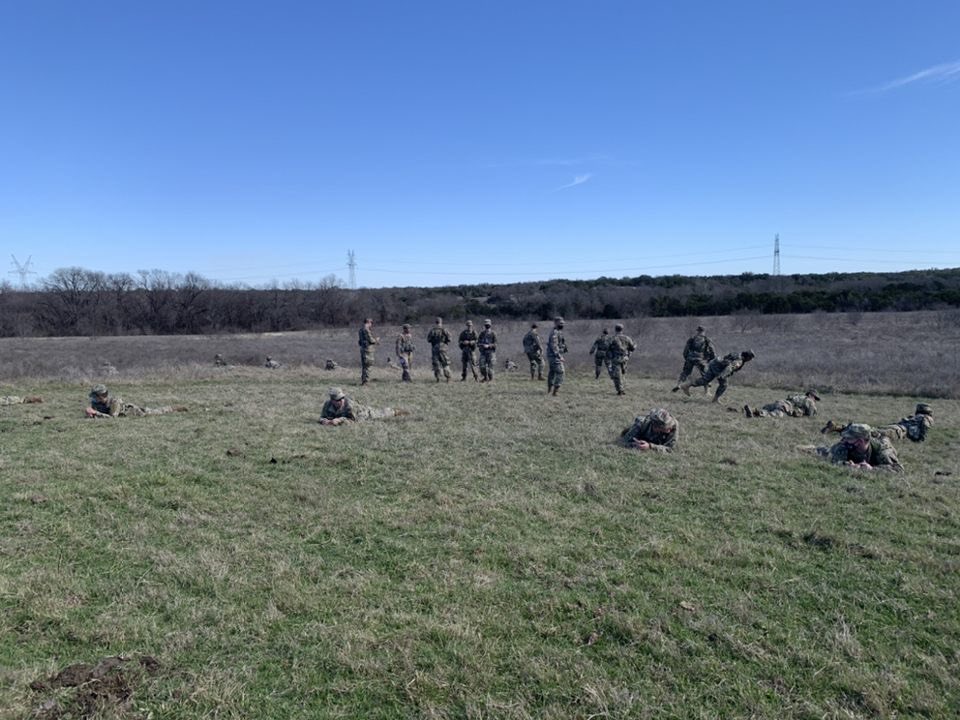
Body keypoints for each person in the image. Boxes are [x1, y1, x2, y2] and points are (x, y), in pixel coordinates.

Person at [679, 350, 755, 402]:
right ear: (748, 357)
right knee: (724, 385)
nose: (750, 360)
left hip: (714, 363)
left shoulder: (737, 354)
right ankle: (715, 400)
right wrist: (722, 375)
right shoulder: (739, 361)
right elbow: (730, 367)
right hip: (719, 368)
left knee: (705, 380)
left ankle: (686, 385)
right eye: (750, 358)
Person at [826, 423, 902, 471]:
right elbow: (833, 460)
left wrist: (873, 469)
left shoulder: (882, 449)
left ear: (860, 441)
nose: (844, 440)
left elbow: (898, 469)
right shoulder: (844, 445)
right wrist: (848, 465)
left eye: (849, 438)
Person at [85, 384, 184, 418]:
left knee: (154, 412)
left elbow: (112, 417)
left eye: (95, 397)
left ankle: (173, 408)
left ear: (101, 396)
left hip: (134, 412)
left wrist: (96, 413)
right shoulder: (97, 403)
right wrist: (91, 414)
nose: (93, 399)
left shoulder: (115, 402)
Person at [318, 387, 403, 426]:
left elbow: (354, 421)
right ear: (332, 400)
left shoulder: (350, 405)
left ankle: (395, 411)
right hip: (351, 415)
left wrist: (340, 420)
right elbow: (322, 417)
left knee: (380, 414)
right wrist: (324, 421)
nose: (341, 401)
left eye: (342, 398)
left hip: (362, 413)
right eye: (338, 399)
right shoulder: (327, 404)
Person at [672, 325, 716, 391]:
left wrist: (686, 357)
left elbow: (686, 350)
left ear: (697, 331)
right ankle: (707, 391)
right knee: (706, 374)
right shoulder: (707, 339)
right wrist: (712, 359)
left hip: (690, 357)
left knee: (685, 372)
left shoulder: (692, 338)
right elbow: (712, 350)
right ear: (704, 331)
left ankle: (678, 385)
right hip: (701, 359)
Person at [605, 324, 636, 395]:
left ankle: (620, 390)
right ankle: (622, 388)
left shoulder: (612, 338)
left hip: (616, 358)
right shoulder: (627, 338)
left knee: (616, 375)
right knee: (622, 373)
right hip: (625, 358)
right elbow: (632, 348)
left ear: (615, 329)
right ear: (622, 329)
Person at [744, 390, 821, 418]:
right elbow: (811, 413)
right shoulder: (808, 400)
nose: (815, 400)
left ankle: (753, 410)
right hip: (785, 407)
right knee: (774, 415)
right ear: (810, 395)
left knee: (766, 409)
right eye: (815, 398)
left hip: (780, 402)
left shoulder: (799, 396)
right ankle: (758, 413)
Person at [546, 316, 568, 396]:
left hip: (552, 355)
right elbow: (554, 345)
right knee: (561, 372)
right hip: (554, 356)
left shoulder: (558, 331)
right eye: (560, 323)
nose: (562, 325)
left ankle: (550, 390)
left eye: (563, 323)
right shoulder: (554, 332)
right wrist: (559, 356)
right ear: (556, 323)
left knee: (552, 372)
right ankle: (555, 391)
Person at [426, 317, 453, 382]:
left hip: (435, 348)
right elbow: (450, 339)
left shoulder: (432, 330)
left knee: (436, 364)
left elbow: (428, 340)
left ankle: (438, 378)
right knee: (445, 363)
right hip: (443, 348)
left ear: (435, 322)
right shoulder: (444, 330)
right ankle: (448, 378)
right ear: (441, 322)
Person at [358, 318, 379, 385]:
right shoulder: (366, 330)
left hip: (363, 349)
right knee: (368, 365)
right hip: (368, 350)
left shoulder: (360, 330)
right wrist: (376, 340)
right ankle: (366, 382)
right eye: (371, 323)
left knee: (364, 366)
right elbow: (371, 340)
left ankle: (364, 381)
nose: (371, 324)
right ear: (368, 322)